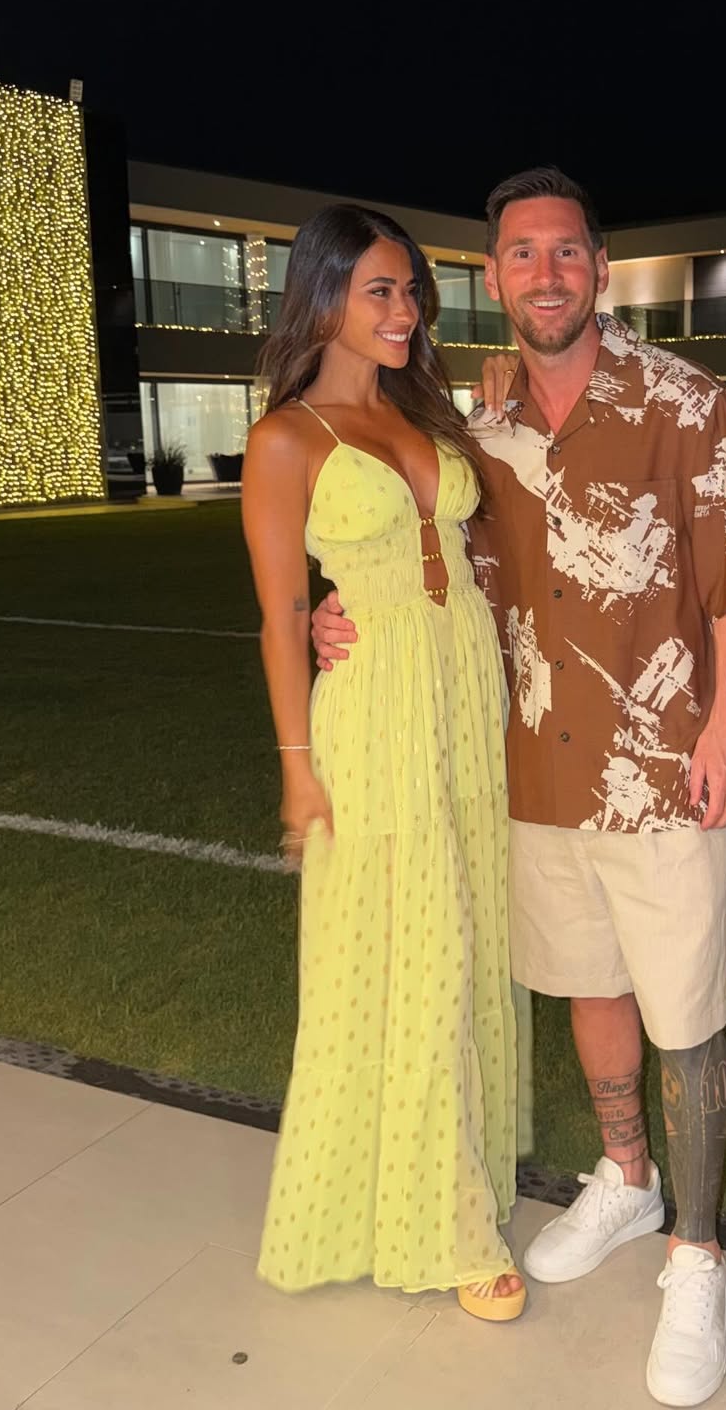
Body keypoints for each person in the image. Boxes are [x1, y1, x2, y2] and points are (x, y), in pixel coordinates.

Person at [313, 168, 726, 1404]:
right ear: (494, 276)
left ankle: (697, 1257)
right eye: (522, 254)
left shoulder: (688, 401)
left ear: (600, 267)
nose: (546, 274)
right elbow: (434, 562)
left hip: (662, 767)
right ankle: (626, 1178)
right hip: (529, 767)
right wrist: (337, 610)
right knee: (589, 983)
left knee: (686, 1014)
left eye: (566, 251)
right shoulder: (475, 428)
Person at [241, 202, 525, 1321]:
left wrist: (497, 400)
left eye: (411, 290)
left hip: (463, 701)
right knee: (408, 961)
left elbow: (476, 539)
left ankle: (435, 1180)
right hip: (375, 715)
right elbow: (280, 618)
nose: (405, 310)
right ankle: (447, 1226)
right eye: (379, 291)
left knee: (466, 947)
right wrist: (297, 768)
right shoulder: (285, 440)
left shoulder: (428, 411)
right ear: (324, 298)